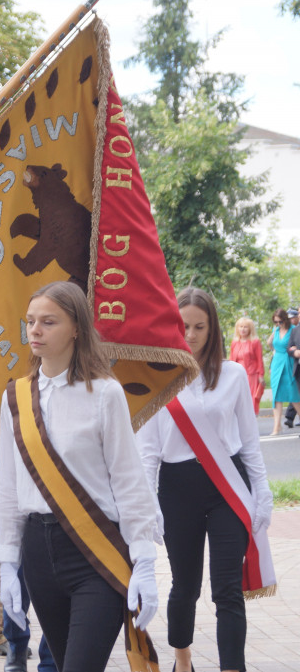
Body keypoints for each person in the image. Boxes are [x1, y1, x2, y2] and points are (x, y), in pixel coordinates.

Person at [0, 281, 159, 672]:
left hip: (93, 550)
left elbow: (129, 480)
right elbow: (12, 491)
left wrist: (145, 560)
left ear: (76, 330)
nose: (35, 330)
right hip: (38, 551)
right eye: (31, 321)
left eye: (48, 322)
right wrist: (6, 565)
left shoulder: (104, 393)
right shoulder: (14, 397)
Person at [138, 288, 275, 672]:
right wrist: (149, 503)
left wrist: (262, 492)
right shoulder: (156, 377)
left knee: (228, 589)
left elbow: (249, 441)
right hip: (177, 488)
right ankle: (183, 661)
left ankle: (233, 667)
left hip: (227, 487)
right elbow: (148, 452)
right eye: (184, 326)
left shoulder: (231, 375)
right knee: (185, 586)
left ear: (213, 328)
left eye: (200, 326)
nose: (192, 335)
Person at [266, 308, 299, 435]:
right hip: (277, 362)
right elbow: (272, 346)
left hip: (289, 362)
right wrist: (269, 343)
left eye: (280, 322)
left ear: (285, 319)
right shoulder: (276, 330)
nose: (278, 324)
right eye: (276, 322)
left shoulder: (293, 330)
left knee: (293, 394)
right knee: (276, 396)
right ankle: (276, 426)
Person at [229, 317, 264, 416]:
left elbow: (259, 359)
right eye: (241, 327)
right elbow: (231, 359)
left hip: (251, 374)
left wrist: (261, 375)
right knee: (238, 397)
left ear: (250, 329)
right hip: (237, 374)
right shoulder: (235, 342)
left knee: (251, 398)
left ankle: (251, 418)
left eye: (245, 327)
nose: (243, 329)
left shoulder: (255, 342)